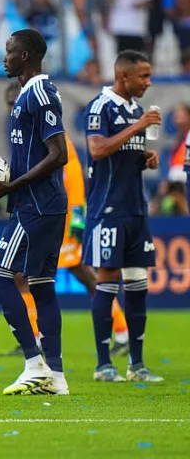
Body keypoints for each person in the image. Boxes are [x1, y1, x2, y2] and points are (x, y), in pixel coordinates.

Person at [0, 81, 130, 358]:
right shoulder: (28, 135)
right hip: (43, 213)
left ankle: (122, 331)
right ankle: (33, 338)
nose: (13, 110)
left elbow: (71, 178)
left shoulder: (50, 134)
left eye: (15, 104)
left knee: (81, 274)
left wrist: (78, 219)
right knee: (26, 276)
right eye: (10, 106)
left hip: (62, 217)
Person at [0, 29, 69, 396]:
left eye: (10, 51)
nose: (4, 57)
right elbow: (32, 157)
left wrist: (11, 187)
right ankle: (56, 378)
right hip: (38, 203)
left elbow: (59, 153)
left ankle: (33, 362)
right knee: (42, 287)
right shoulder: (28, 95)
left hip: (37, 206)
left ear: (25, 56)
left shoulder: (40, 93)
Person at [81, 50, 164, 384]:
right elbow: (97, 149)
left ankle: (137, 365)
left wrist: (144, 157)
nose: (148, 82)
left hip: (135, 209)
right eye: (143, 76)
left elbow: (119, 155)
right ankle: (104, 365)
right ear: (123, 76)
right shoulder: (101, 106)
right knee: (108, 282)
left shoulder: (136, 110)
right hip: (108, 210)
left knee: (138, 286)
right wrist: (138, 128)